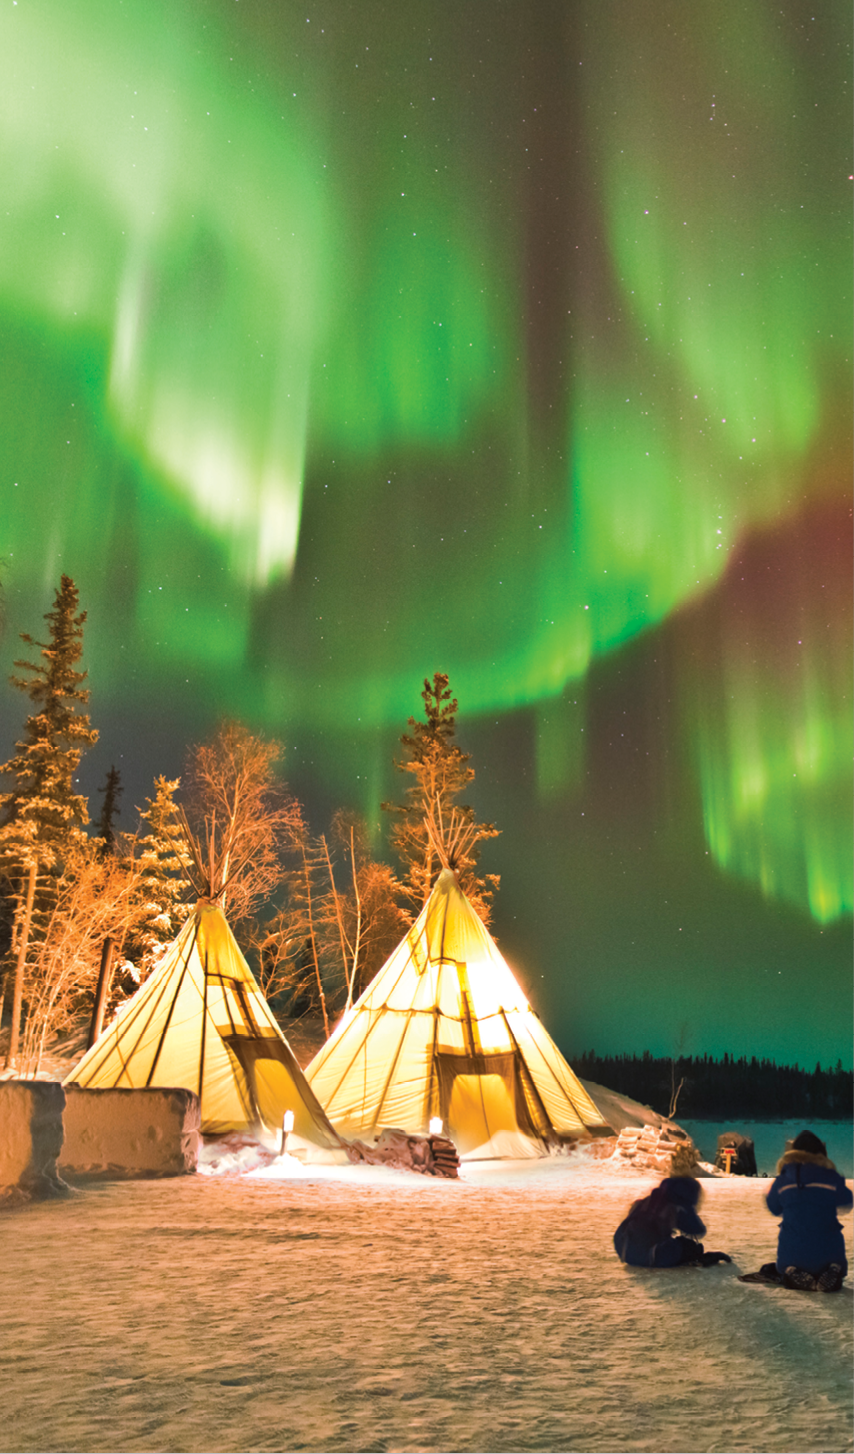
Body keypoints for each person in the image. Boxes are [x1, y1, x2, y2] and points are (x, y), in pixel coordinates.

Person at [741, 1130, 853, 1292]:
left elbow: (774, 1207)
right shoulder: (831, 1178)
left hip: (793, 1253)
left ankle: (792, 1271)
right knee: (830, 1240)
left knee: (790, 1248)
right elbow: (847, 1201)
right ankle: (833, 1269)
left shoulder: (783, 1180)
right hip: (829, 1253)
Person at [614, 1176, 731, 1268]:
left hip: (623, 1245)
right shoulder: (673, 1205)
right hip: (644, 1254)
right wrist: (694, 1252)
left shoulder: (651, 1201)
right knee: (682, 1247)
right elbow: (695, 1228)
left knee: (681, 1245)